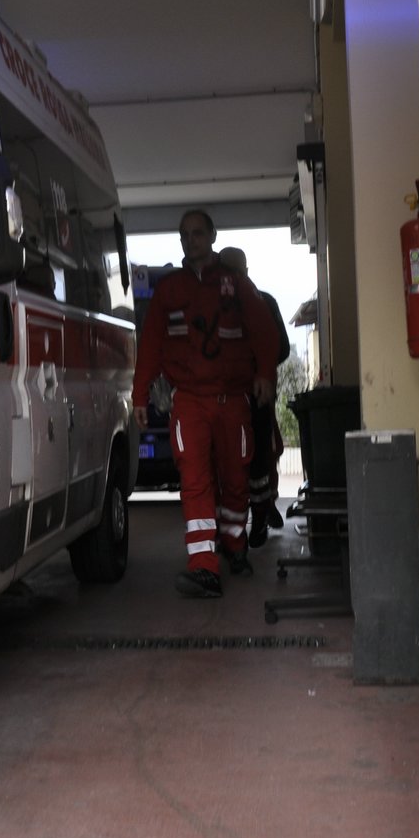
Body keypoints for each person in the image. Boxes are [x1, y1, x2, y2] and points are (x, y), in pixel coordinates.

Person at [134, 209, 280, 598]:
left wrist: (265, 372)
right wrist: (139, 395)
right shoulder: (169, 290)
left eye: (197, 233)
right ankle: (203, 567)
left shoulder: (236, 284)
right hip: (190, 403)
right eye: (184, 234)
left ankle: (235, 545)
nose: (191, 239)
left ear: (212, 236)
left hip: (233, 401)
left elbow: (263, 330)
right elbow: (149, 345)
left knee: (236, 478)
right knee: (194, 481)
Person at [217, 246, 290, 548]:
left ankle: (260, 515)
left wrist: (259, 372)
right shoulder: (213, 305)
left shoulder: (264, 303)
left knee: (260, 458)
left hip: (255, 397)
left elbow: (281, 348)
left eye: (235, 272)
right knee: (229, 463)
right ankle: (237, 527)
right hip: (224, 397)